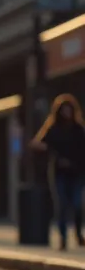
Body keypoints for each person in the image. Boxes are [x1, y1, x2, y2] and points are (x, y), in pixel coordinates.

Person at [31, 94, 85, 251]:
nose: (67, 113)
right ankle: (62, 237)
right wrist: (50, 151)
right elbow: (36, 143)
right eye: (64, 110)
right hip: (59, 173)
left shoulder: (78, 129)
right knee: (62, 205)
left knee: (76, 204)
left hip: (77, 173)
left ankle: (78, 234)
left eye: (69, 110)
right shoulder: (53, 129)